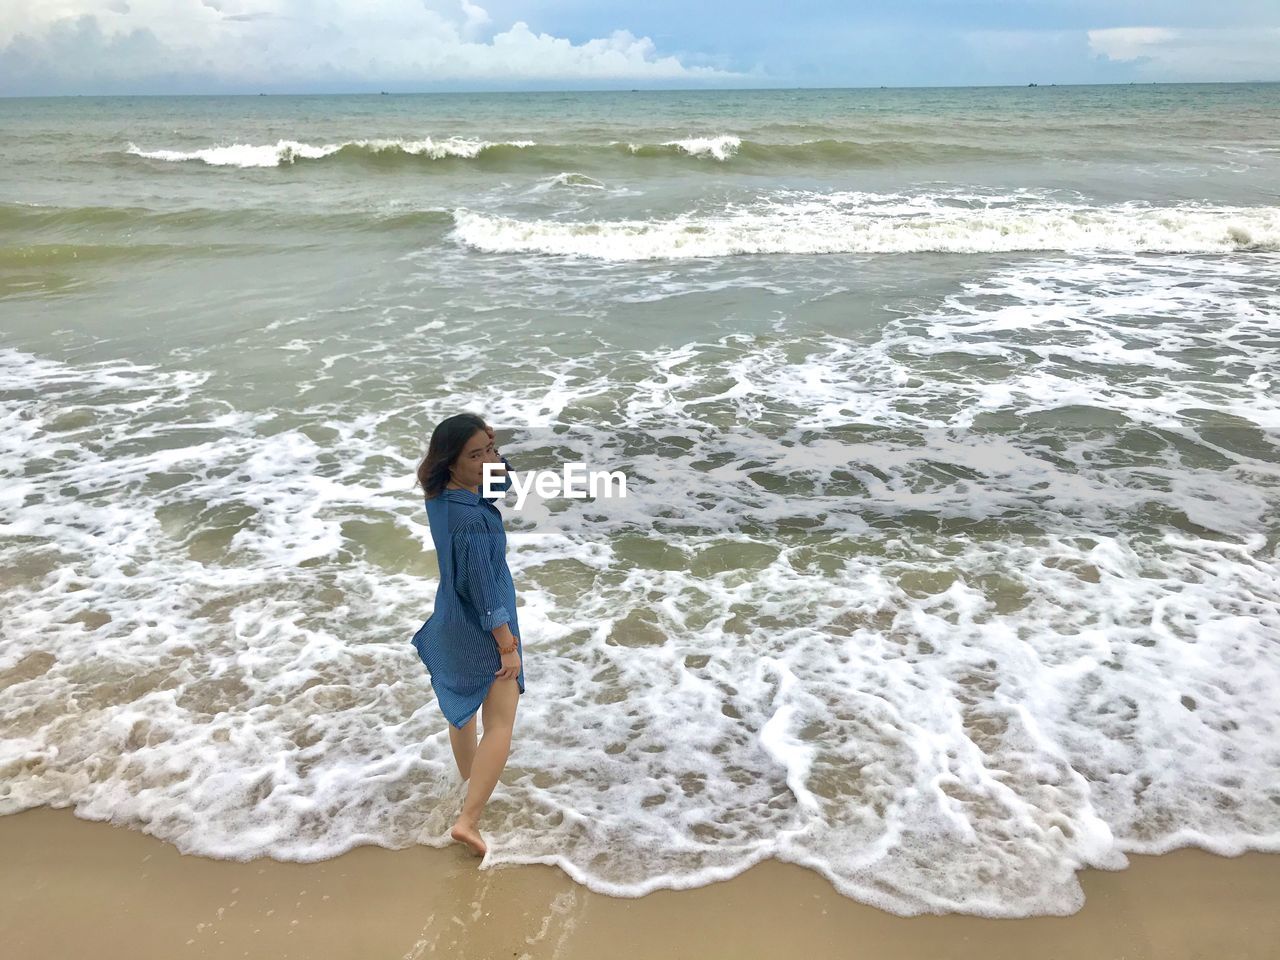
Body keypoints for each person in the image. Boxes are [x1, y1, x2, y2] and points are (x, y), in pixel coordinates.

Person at [412, 412, 523, 857]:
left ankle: (469, 783)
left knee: (463, 714)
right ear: (451, 460)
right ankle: (469, 820)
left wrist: (494, 454)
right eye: (474, 455)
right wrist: (507, 645)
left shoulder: (440, 497)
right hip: (484, 627)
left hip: (452, 621)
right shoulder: (472, 520)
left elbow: (500, 486)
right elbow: (483, 588)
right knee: (500, 724)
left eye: (487, 452)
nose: (485, 463)